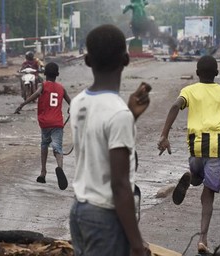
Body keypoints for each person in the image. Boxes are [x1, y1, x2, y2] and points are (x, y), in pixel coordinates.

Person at [69, 24, 151, 256]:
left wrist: (130, 116)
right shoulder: (118, 114)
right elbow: (119, 185)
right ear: (126, 59)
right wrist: (136, 243)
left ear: (87, 61)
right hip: (105, 217)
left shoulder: (78, 102)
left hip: (80, 211)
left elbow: (97, 141)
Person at [157, 55, 220, 254]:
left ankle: (191, 177)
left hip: (196, 144)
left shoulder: (189, 91)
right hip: (216, 145)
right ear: (217, 73)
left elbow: (175, 106)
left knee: (196, 176)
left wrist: (164, 135)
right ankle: (202, 239)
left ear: (197, 73)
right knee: (208, 193)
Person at [14, 63, 71, 190]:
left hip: (45, 122)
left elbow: (36, 94)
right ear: (57, 75)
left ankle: (43, 172)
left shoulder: (43, 85)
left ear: (45, 74)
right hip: (57, 123)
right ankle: (59, 168)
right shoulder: (61, 88)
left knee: (45, 144)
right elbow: (71, 102)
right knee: (57, 147)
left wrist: (23, 104)